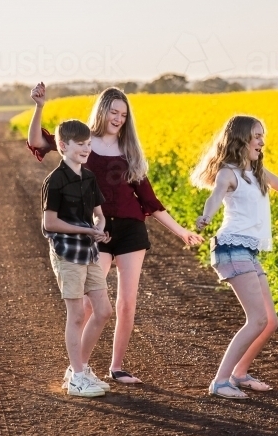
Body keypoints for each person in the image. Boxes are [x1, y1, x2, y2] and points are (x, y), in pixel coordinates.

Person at [27, 83, 203, 384]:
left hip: (131, 230)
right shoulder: (83, 141)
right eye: (114, 111)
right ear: (102, 110)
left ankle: (117, 367)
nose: (119, 118)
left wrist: (181, 232)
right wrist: (40, 106)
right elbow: (39, 142)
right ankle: (78, 370)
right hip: (96, 232)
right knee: (90, 305)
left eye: (124, 114)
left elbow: (150, 201)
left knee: (127, 303)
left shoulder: (130, 150)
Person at [192, 115, 278, 399]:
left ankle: (239, 374)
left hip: (247, 251)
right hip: (231, 247)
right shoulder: (228, 173)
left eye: (262, 136)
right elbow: (216, 196)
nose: (261, 141)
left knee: (269, 321)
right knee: (256, 319)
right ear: (240, 139)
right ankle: (220, 382)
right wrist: (206, 216)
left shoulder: (258, 174)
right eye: (256, 136)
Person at [41, 119, 112, 397]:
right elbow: (49, 223)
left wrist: (99, 227)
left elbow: (99, 212)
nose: (86, 148)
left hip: (89, 250)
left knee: (104, 310)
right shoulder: (55, 181)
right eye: (80, 144)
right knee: (78, 314)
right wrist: (83, 229)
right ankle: (77, 378)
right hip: (67, 252)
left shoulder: (89, 177)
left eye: (88, 144)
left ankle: (79, 368)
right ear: (63, 146)